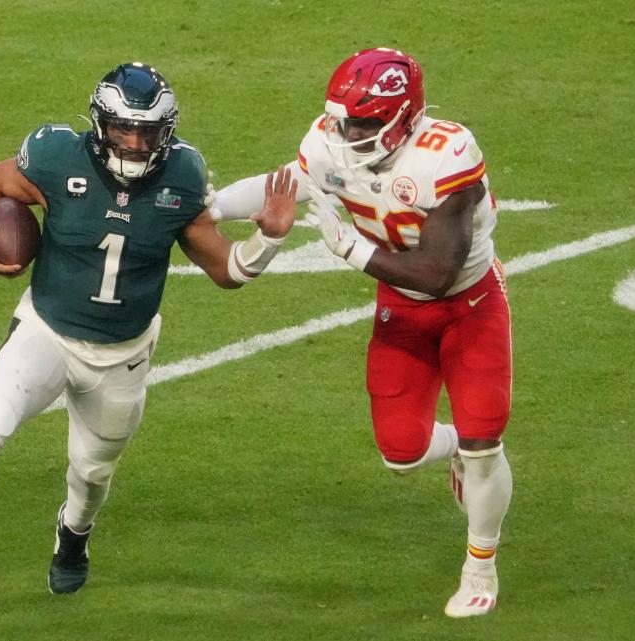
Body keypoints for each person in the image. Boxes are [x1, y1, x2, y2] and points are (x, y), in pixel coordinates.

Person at [0, 62, 297, 621]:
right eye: (124, 129)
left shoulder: (182, 175)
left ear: (167, 132)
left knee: (92, 474)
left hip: (122, 355)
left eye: (148, 132)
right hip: (46, 332)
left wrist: (270, 237)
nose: (136, 143)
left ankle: (73, 534)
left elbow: (229, 272)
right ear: (100, 125)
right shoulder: (56, 154)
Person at [212, 47, 513, 618]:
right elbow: (288, 184)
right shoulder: (331, 143)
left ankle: (481, 564)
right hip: (402, 308)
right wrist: (210, 206)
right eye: (346, 118)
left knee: (485, 440)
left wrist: (351, 247)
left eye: (367, 122)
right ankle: (456, 449)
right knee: (401, 452)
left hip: (470, 304)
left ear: (403, 117)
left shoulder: (446, 154)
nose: (350, 132)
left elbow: (437, 272)